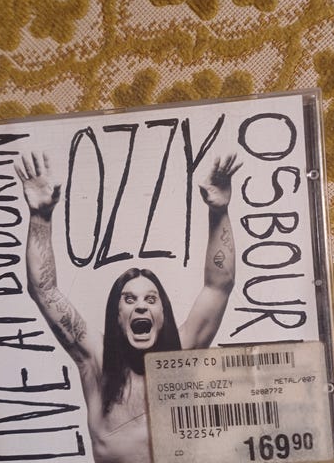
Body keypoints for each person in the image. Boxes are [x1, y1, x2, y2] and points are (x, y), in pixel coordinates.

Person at [15, 152, 241, 463]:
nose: (141, 307)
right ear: (118, 316)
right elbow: (44, 290)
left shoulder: (181, 353)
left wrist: (219, 211)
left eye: (151, 299)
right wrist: (40, 218)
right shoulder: (96, 359)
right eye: (129, 299)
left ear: (162, 315)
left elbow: (219, 285)